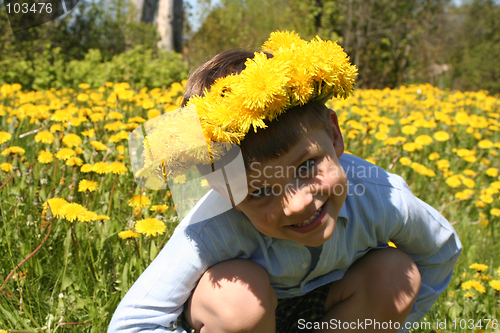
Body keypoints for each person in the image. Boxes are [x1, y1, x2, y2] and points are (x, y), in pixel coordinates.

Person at [108, 31, 462, 333]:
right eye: (260, 191)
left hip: (334, 310)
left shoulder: (379, 196)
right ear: (224, 191)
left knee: (396, 274)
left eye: (307, 166)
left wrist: (399, 321)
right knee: (237, 303)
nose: (297, 204)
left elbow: (440, 251)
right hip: (245, 317)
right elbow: (134, 321)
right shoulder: (212, 227)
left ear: (335, 135)